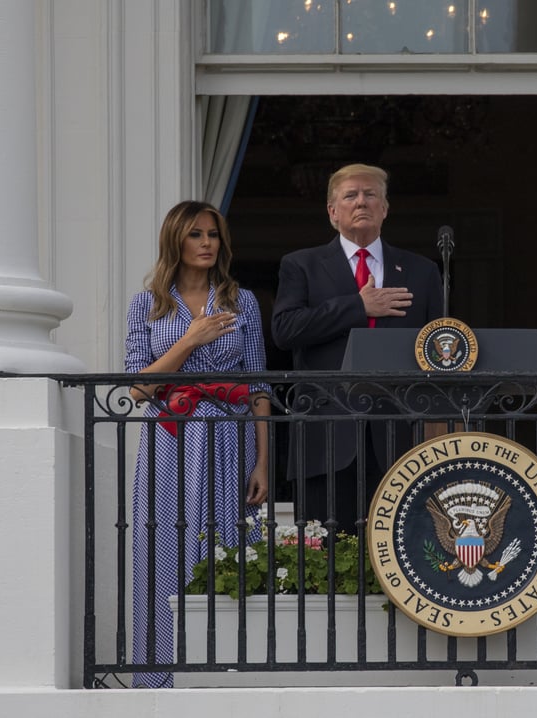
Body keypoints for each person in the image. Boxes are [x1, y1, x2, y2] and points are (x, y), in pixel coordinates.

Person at [125, 200, 271, 689]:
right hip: (169, 437)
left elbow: (257, 386)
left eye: (213, 234)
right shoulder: (145, 304)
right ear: (176, 241)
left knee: (230, 543)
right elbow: (138, 387)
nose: (207, 243)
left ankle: (230, 670)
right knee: (165, 543)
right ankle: (161, 674)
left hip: (229, 435)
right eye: (196, 235)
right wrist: (189, 339)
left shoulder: (241, 300)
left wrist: (264, 463)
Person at [271, 163, 443, 533]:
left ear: (385, 208)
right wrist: (357, 306)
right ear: (333, 212)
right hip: (326, 434)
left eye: (370, 194)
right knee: (326, 561)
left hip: (400, 436)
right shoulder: (301, 265)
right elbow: (284, 330)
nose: (361, 202)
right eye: (350, 195)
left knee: (404, 549)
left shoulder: (421, 271)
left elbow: (438, 351)